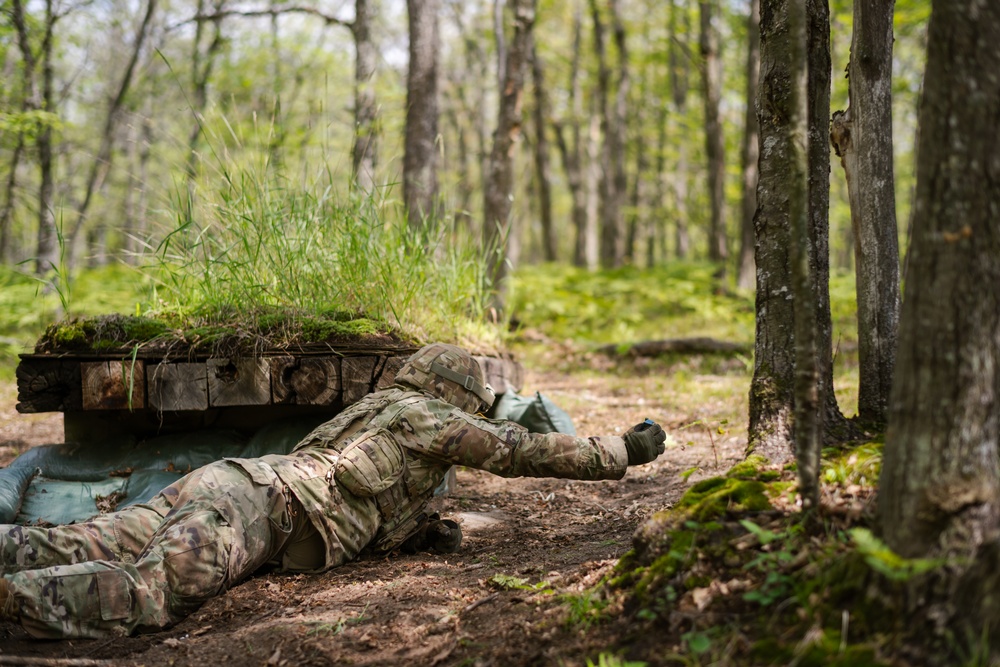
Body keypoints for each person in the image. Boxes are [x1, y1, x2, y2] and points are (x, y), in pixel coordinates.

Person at [0, 343, 666, 639]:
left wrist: (416, 531)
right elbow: (521, 450)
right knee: (147, 594)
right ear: (455, 397)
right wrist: (617, 452)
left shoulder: (376, 411)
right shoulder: (425, 418)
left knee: (77, 539)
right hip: (254, 511)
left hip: (231, 485)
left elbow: (359, 494)